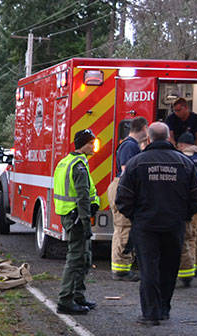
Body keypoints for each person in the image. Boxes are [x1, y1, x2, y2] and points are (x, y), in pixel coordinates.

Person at [115, 122, 197, 325]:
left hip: (146, 226)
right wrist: (184, 214)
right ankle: (164, 309)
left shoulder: (136, 163)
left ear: (148, 139)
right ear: (168, 139)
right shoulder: (184, 163)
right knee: (169, 268)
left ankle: (150, 314)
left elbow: (123, 198)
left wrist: (136, 216)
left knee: (149, 269)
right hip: (174, 225)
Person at [54, 128, 100, 315]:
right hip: (77, 218)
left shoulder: (67, 161)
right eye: (91, 143)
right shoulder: (78, 166)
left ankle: (78, 297)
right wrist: (86, 223)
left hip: (71, 215)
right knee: (75, 258)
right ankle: (65, 300)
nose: (93, 146)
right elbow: (81, 197)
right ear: (84, 144)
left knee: (84, 257)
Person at [108, 116, 147, 281]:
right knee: (124, 227)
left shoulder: (131, 146)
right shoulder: (129, 146)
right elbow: (127, 171)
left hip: (124, 188)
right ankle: (121, 270)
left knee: (126, 228)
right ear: (143, 128)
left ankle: (123, 267)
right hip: (124, 188)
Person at [175, 132, 197, 287]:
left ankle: (190, 268)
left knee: (190, 235)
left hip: (190, 201)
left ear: (181, 145)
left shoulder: (181, 160)